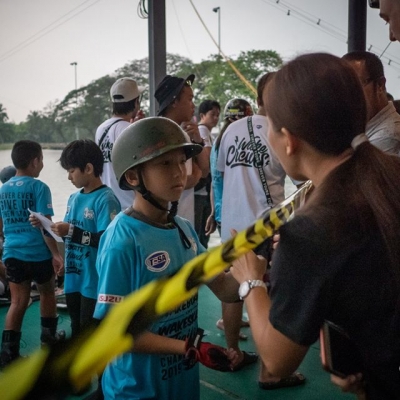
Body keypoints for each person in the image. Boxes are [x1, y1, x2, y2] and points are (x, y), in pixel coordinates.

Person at [230, 52, 400, 399]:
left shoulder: (309, 233)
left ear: (289, 140)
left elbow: (278, 360)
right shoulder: (390, 175)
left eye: (269, 126)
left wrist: (249, 281)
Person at [93, 117, 240, 400]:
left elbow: (225, 288)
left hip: (181, 384)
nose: (179, 173)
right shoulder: (122, 240)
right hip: (136, 390)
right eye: (164, 164)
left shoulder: (183, 229)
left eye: (180, 161)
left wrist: (257, 274)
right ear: (134, 177)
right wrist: (189, 346)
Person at [0, 140, 65, 368]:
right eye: (42, 160)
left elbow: (1, 225)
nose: (42, 166)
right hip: (37, 254)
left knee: (18, 301)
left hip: (12, 254)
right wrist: (56, 255)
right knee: (47, 293)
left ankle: (8, 356)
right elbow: (46, 227)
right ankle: (49, 342)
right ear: (35, 160)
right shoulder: (40, 188)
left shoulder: (3, 189)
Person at [48, 140, 120, 338]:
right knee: (77, 328)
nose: (68, 176)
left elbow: (108, 241)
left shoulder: (106, 199)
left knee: (92, 334)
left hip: (94, 281)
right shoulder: (73, 198)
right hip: (74, 279)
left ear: (88, 168)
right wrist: (48, 229)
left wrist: (71, 231)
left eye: (71, 171)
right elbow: (70, 235)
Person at [155, 74, 209, 226]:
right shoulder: (158, 133)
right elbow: (169, 182)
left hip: (185, 221)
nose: (193, 105)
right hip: (164, 223)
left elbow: (205, 170)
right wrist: (194, 175)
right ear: (174, 102)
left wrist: (198, 139)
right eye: (189, 99)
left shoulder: (187, 131)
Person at [95, 77, 144, 210]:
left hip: (108, 204)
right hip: (129, 205)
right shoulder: (129, 129)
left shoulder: (101, 129)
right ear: (135, 103)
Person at [342, 51, 400, 155]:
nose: (347, 94)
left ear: (380, 85)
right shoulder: (367, 126)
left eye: (356, 85)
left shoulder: (387, 137)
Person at [194, 100, 221, 248]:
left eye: (218, 115)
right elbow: (210, 158)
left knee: (202, 233)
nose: (216, 118)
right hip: (201, 190)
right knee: (201, 233)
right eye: (212, 114)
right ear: (202, 115)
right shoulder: (202, 131)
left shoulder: (208, 133)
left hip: (203, 190)